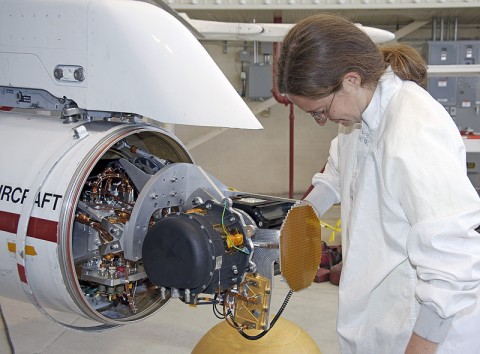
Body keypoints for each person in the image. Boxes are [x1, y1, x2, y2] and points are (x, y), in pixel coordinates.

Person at [277, 14, 480, 354]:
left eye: (320, 111)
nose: (323, 122)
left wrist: (418, 349)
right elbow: (333, 176)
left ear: (351, 79)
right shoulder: (357, 118)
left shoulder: (414, 132)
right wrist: (287, 224)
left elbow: (454, 264)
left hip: (420, 335)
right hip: (375, 319)